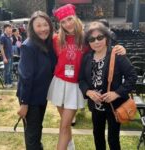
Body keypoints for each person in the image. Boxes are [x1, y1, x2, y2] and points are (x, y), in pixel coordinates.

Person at [47, 4, 127, 150]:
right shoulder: (56, 39)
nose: (67, 24)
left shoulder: (86, 38)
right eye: (63, 22)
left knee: (64, 125)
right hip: (59, 82)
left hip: (75, 84)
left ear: (75, 18)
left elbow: (104, 46)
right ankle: (70, 147)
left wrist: (120, 48)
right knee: (64, 124)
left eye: (69, 19)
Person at [79, 22, 137, 150]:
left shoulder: (117, 55)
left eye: (100, 37)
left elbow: (132, 76)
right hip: (96, 106)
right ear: (88, 42)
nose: (96, 42)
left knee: (113, 139)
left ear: (106, 37)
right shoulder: (87, 58)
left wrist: (116, 93)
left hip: (114, 106)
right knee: (97, 136)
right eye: (92, 39)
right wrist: (88, 92)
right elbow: (81, 79)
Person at [16, 11, 56, 150]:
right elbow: (26, 77)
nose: (43, 28)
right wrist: (24, 103)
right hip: (29, 98)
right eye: (38, 25)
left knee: (37, 128)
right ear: (32, 28)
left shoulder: (47, 44)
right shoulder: (28, 46)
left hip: (41, 96)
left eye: (45, 25)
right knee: (32, 134)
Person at [0, 23, 13, 88]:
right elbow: (1, 47)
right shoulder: (3, 36)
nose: (10, 29)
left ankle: (10, 82)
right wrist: (4, 57)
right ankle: (6, 83)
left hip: (10, 55)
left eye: (11, 28)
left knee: (10, 70)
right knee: (7, 71)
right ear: (5, 28)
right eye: (9, 28)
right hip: (6, 56)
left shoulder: (9, 36)